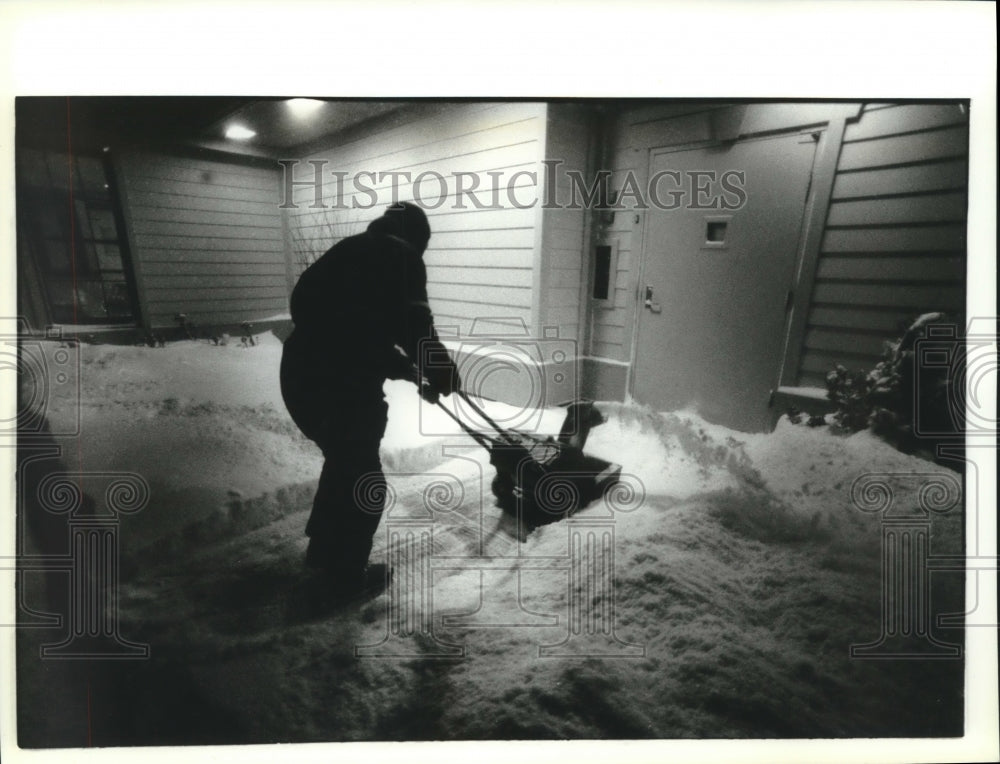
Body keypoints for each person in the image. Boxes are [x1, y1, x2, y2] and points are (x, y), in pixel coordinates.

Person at [280, 202, 461, 593]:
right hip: (339, 388)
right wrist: (442, 371)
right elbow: (414, 328)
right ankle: (345, 578)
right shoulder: (402, 255)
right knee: (365, 481)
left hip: (301, 379)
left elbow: (349, 328)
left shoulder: (350, 250)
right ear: (417, 239)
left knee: (345, 466)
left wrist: (403, 367)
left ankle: (324, 555)